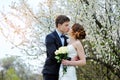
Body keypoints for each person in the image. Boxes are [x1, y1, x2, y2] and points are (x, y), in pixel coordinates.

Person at [42, 15, 70, 80]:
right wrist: (68, 60)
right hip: (51, 72)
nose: (68, 27)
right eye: (66, 25)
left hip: (64, 72)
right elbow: (53, 54)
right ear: (59, 25)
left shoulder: (67, 39)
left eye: (68, 25)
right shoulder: (50, 37)